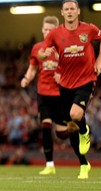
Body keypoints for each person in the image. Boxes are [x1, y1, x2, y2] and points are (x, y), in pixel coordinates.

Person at [39, 0, 101, 179]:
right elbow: (42, 51)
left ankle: (85, 132)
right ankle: (84, 164)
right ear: (62, 13)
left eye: (72, 9)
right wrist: (43, 53)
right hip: (65, 84)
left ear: (78, 11)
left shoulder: (88, 29)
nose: (69, 12)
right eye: (66, 9)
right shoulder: (55, 33)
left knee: (75, 114)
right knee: (70, 127)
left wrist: (99, 60)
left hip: (86, 79)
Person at [21, 16, 70, 175]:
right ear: (42, 30)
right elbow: (33, 67)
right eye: (45, 29)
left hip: (60, 94)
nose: (47, 32)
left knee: (62, 134)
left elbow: (73, 70)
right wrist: (27, 78)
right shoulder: (37, 48)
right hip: (43, 93)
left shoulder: (64, 47)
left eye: (51, 30)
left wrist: (62, 78)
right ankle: (50, 164)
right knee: (45, 125)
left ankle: (75, 128)